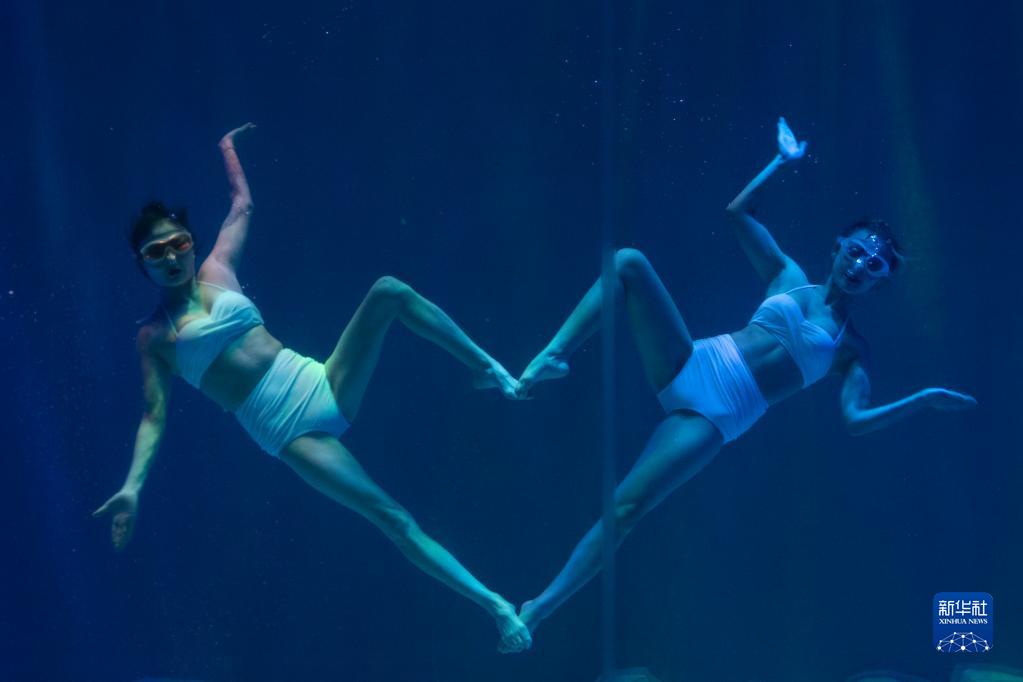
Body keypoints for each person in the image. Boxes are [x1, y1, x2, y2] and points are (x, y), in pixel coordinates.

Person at [512, 117, 976, 640]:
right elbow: (737, 212)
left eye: (874, 266)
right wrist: (781, 160)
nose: (860, 265)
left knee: (625, 508)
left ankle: (537, 609)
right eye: (857, 251)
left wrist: (922, 398)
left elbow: (855, 419)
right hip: (695, 360)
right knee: (628, 263)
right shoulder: (788, 275)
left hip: (718, 414)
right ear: (838, 246)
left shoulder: (850, 346)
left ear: (878, 282)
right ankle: (549, 356)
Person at [93, 123, 532, 653]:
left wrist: (227, 149)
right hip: (288, 431)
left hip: (319, 378)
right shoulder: (155, 337)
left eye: (177, 243)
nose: (170, 257)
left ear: (191, 244)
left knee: (388, 291)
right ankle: (496, 606)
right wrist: (133, 486)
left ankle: (490, 369)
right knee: (392, 517)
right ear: (142, 264)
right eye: (155, 252)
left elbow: (241, 205)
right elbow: (153, 415)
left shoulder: (217, 269)